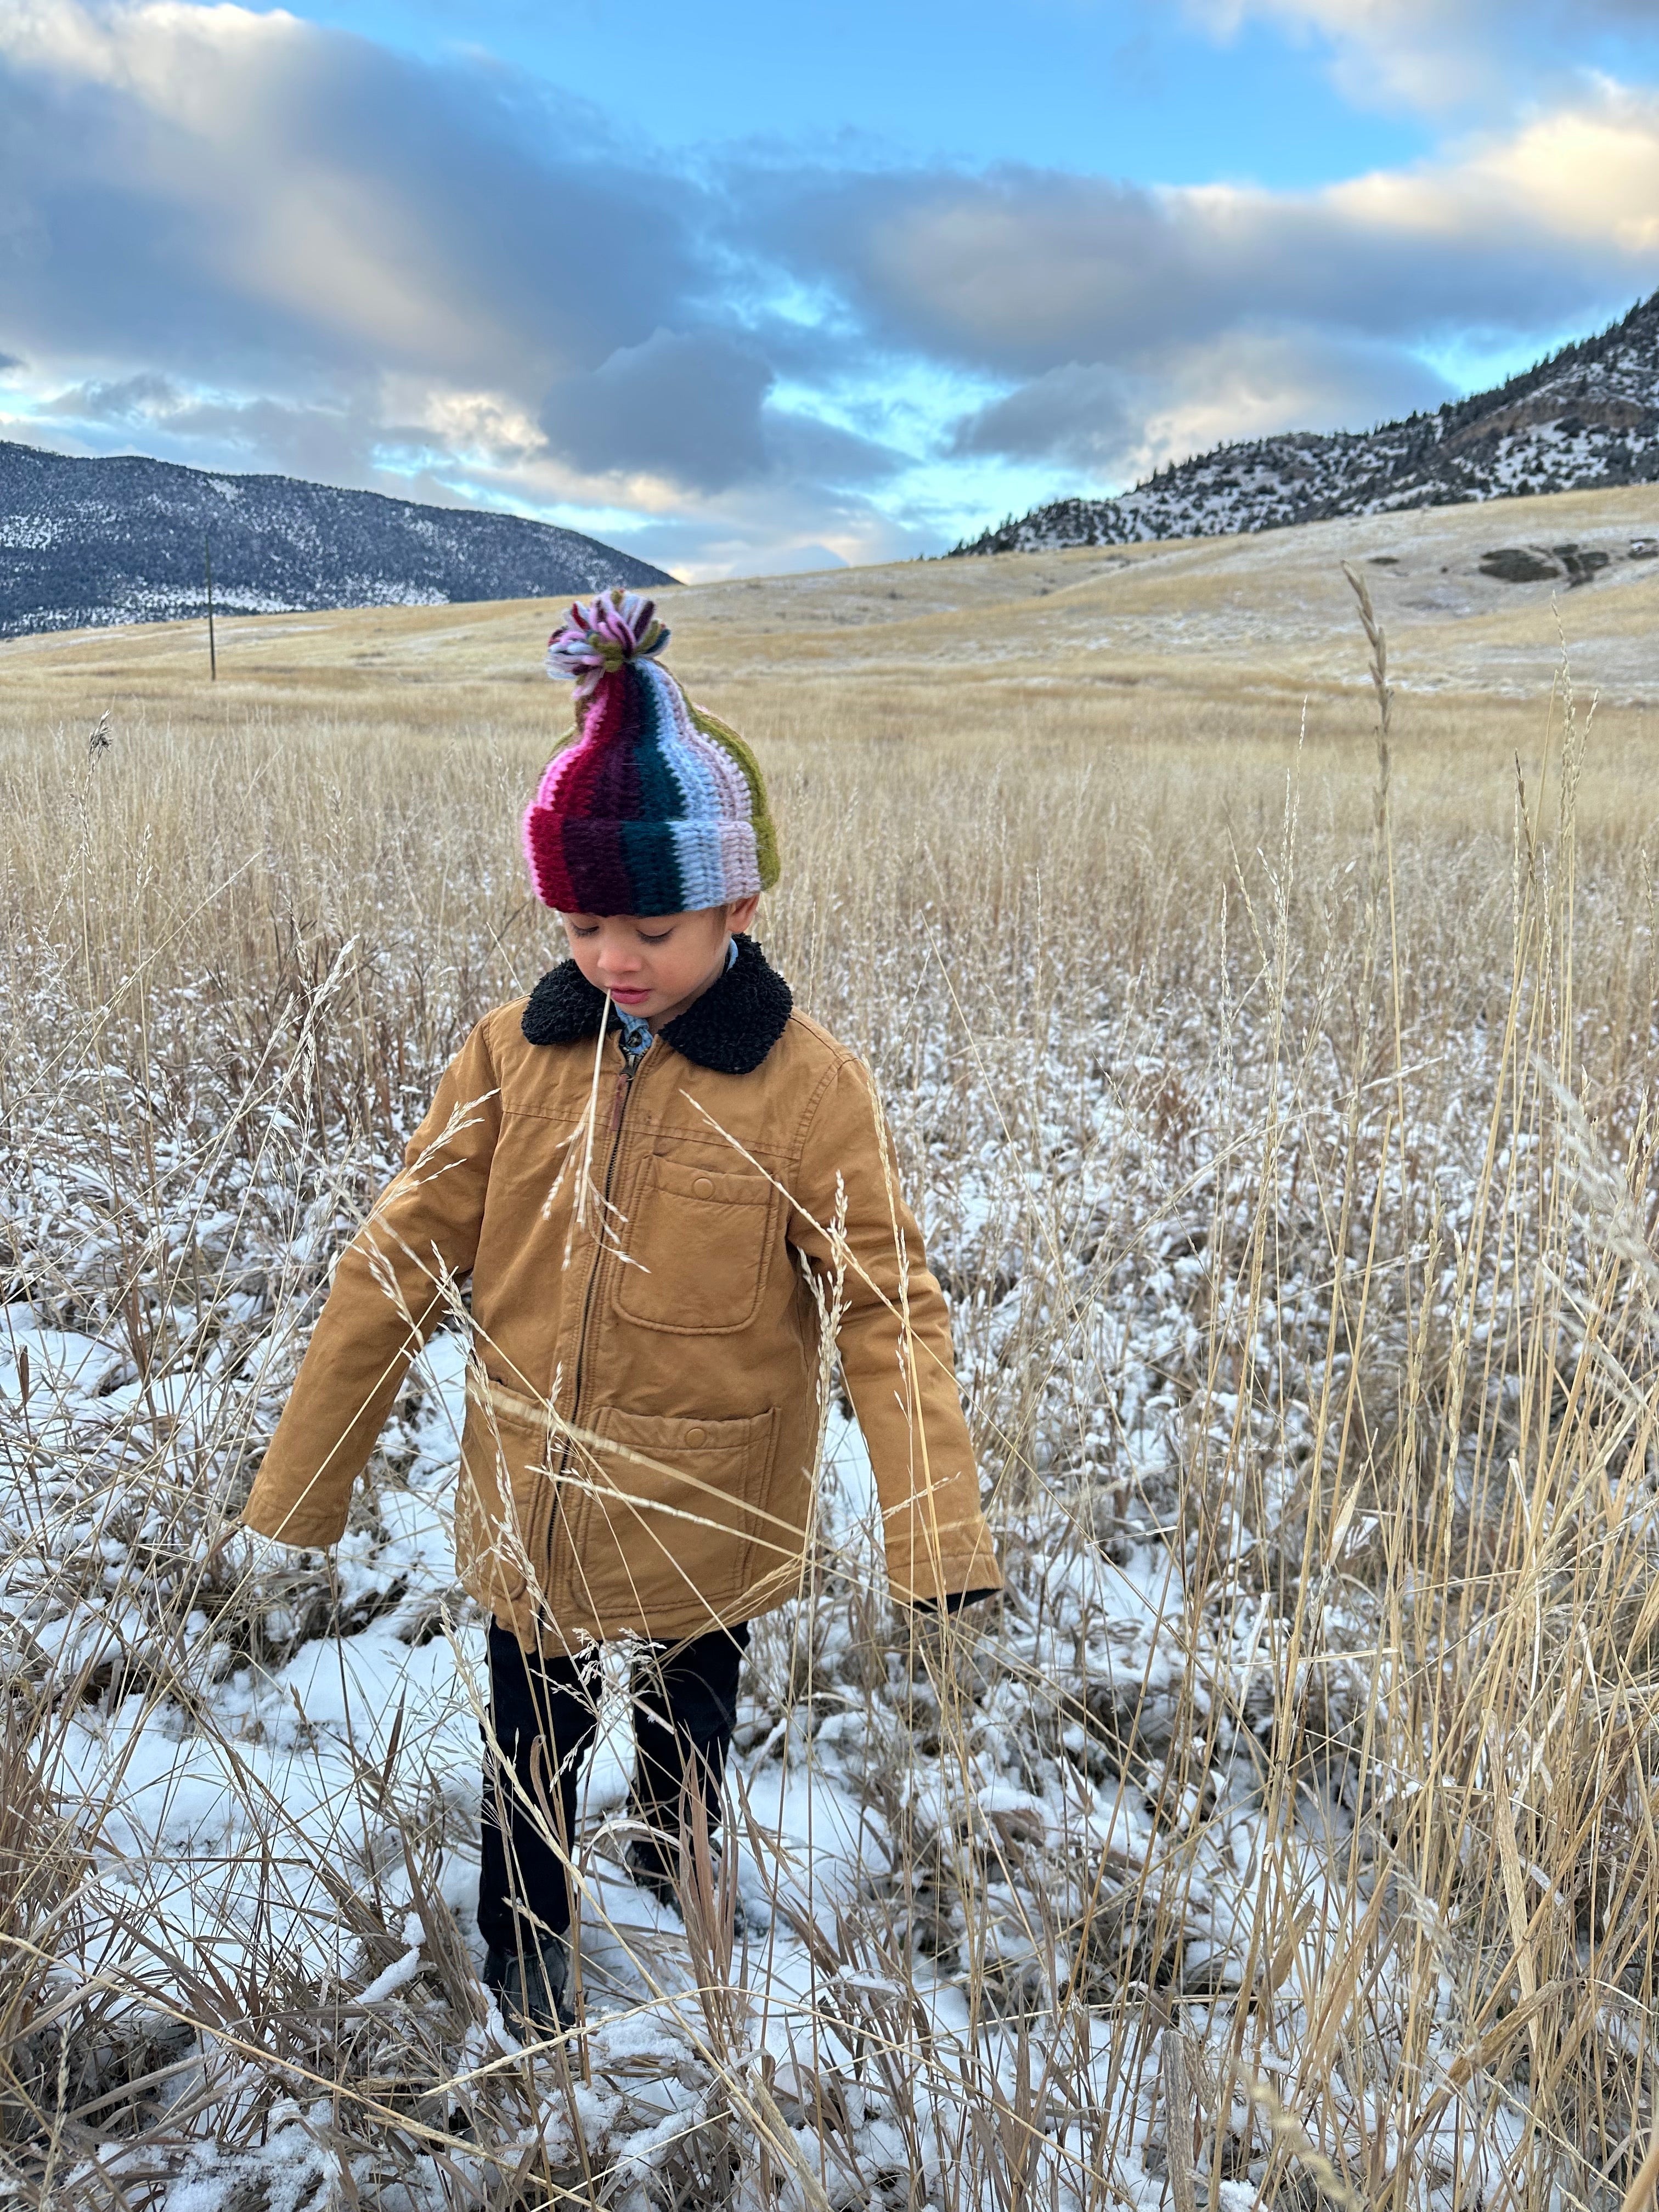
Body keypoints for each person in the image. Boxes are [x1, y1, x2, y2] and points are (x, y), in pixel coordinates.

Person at [239, 587, 1001, 2036]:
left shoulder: (807, 1086)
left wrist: (936, 1531)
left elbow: (891, 1307)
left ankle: (678, 1855)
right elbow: (394, 1260)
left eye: (653, 921)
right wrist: (305, 1481)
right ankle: (525, 1945)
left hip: (716, 1499)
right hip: (534, 1497)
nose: (614, 958)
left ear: (741, 906)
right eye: (584, 922)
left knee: (691, 1724)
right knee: (530, 1742)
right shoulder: (510, 1061)